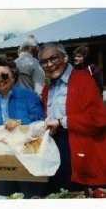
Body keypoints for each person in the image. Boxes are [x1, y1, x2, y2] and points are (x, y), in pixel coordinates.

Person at [38, 41, 106, 194]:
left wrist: (61, 122)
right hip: (55, 149)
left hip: (79, 149)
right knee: (58, 194)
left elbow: (98, 119)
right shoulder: (47, 89)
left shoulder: (83, 80)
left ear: (65, 58)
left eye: (54, 58)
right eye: (43, 62)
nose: (49, 64)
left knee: (77, 194)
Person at [0, 56, 45, 198]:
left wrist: (19, 122)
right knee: (5, 197)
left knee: (30, 197)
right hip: (2, 161)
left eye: (5, 75)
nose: (0, 79)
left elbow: (40, 122)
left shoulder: (29, 96)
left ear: (14, 76)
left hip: (27, 159)